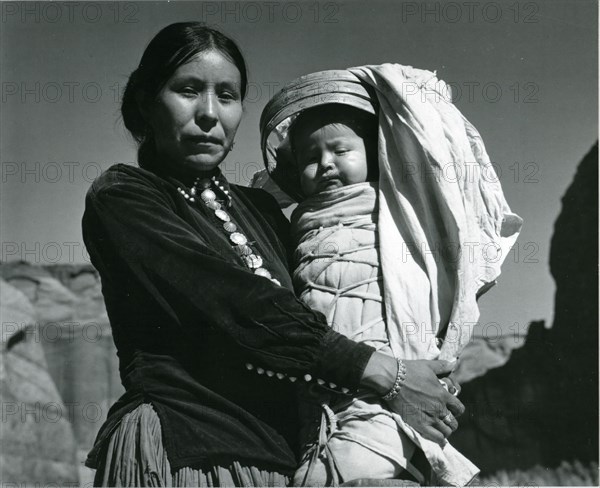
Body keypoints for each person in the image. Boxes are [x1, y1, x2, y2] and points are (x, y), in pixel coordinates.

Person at [82, 24, 464, 487]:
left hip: (288, 460)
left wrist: (420, 368)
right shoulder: (125, 197)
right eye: (187, 90)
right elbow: (239, 304)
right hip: (188, 452)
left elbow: (330, 301)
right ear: (145, 100)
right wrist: (390, 376)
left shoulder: (263, 210)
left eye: (227, 95)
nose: (209, 113)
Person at [259, 67, 523, 486]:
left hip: (390, 369)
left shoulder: (395, 209)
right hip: (331, 382)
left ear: (372, 152)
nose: (325, 164)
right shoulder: (293, 224)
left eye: (340, 150)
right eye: (310, 157)